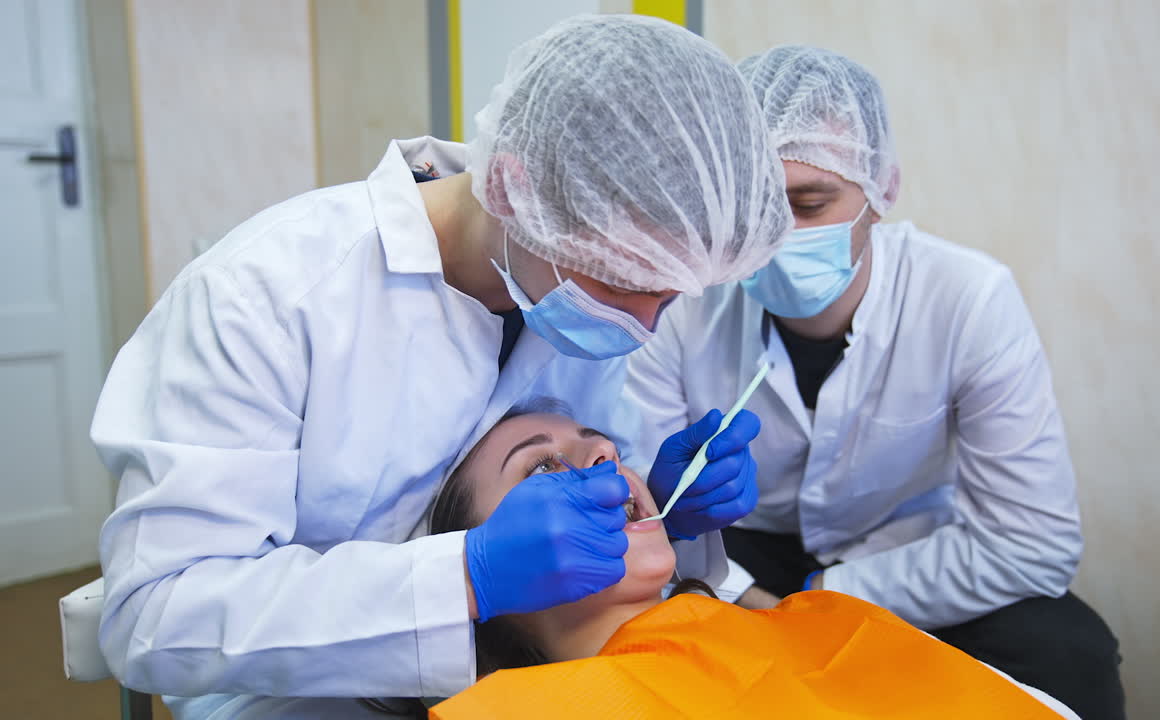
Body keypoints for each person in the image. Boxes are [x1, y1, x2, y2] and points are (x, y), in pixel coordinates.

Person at [89, 16, 791, 719]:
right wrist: (467, 577)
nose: (642, 325)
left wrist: (668, 511)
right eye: (620, 284)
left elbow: (580, 506)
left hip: (525, 679)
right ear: (514, 194)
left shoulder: (570, 292)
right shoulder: (266, 297)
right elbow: (153, 615)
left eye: (669, 294)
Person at [623, 45, 1125, 720]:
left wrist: (823, 591)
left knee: (1071, 654)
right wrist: (732, 583)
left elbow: (1032, 544)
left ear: (881, 192)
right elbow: (644, 512)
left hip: (905, 556)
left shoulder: (967, 299)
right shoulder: (682, 299)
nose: (775, 237)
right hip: (733, 554)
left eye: (809, 203)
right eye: (758, 208)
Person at [370, 403, 1080, 719]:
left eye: (597, 440)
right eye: (540, 470)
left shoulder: (827, 624)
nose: (602, 458)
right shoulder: (507, 712)